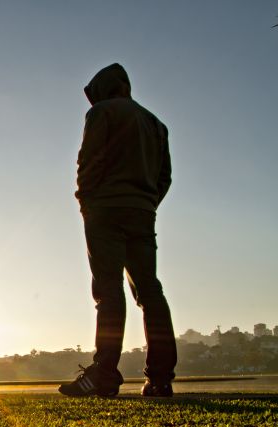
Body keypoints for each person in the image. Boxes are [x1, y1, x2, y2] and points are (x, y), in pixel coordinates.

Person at [59, 63, 178, 398]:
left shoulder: (101, 113)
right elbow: (164, 176)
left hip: (105, 210)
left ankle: (105, 374)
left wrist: (86, 200)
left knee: (108, 292)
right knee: (150, 291)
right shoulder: (157, 124)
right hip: (142, 212)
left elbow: (89, 160)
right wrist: (147, 202)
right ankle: (160, 378)